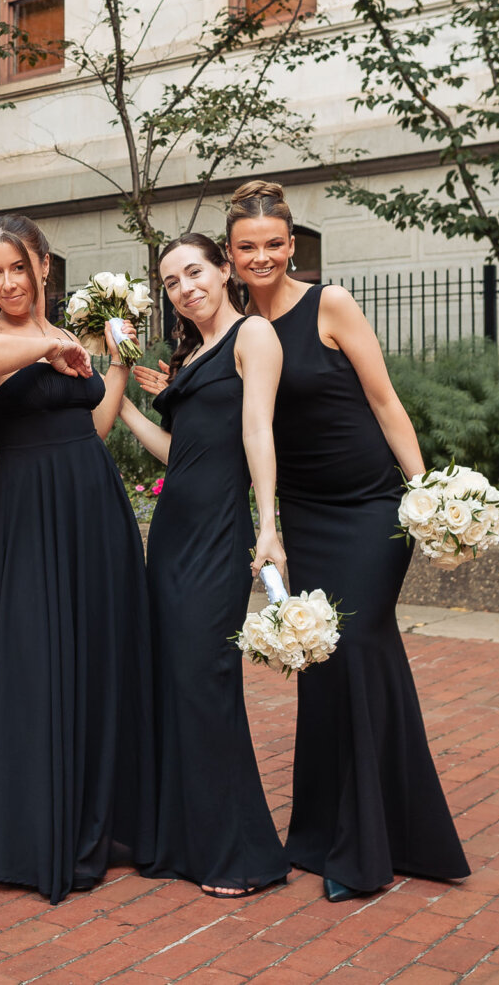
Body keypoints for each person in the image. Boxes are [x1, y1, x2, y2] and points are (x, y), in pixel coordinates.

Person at [225, 180, 469, 902]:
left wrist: (426, 492)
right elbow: (253, 430)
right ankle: (342, 829)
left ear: (291, 245)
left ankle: (367, 846)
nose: (262, 256)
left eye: (274, 243)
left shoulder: (329, 303)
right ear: (232, 254)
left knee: (358, 645)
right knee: (326, 660)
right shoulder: (244, 328)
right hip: (304, 513)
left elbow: (385, 398)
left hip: (368, 510)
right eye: (247, 247)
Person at [0, 214, 154, 904]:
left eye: (19, 267)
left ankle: (98, 817)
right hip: (28, 510)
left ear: (43, 265)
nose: (8, 281)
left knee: (98, 653)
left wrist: (116, 361)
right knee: (34, 658)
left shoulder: (70, 339)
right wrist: (51, 344)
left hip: (91, 502)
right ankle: (32, 828)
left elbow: (92, 423)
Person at [121, 233, 291, 899]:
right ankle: (175, 844)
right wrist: (124, 402)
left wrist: (270, 524)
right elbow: (181, 455)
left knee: (206, 683)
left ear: (224, 268)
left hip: (218, 539)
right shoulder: (191, 354)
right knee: (172, 686)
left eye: (195, 271)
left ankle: (241, 854)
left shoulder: (254, 337)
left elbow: (257, 432)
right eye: (170, 281)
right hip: (168, 538)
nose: (185, 287)